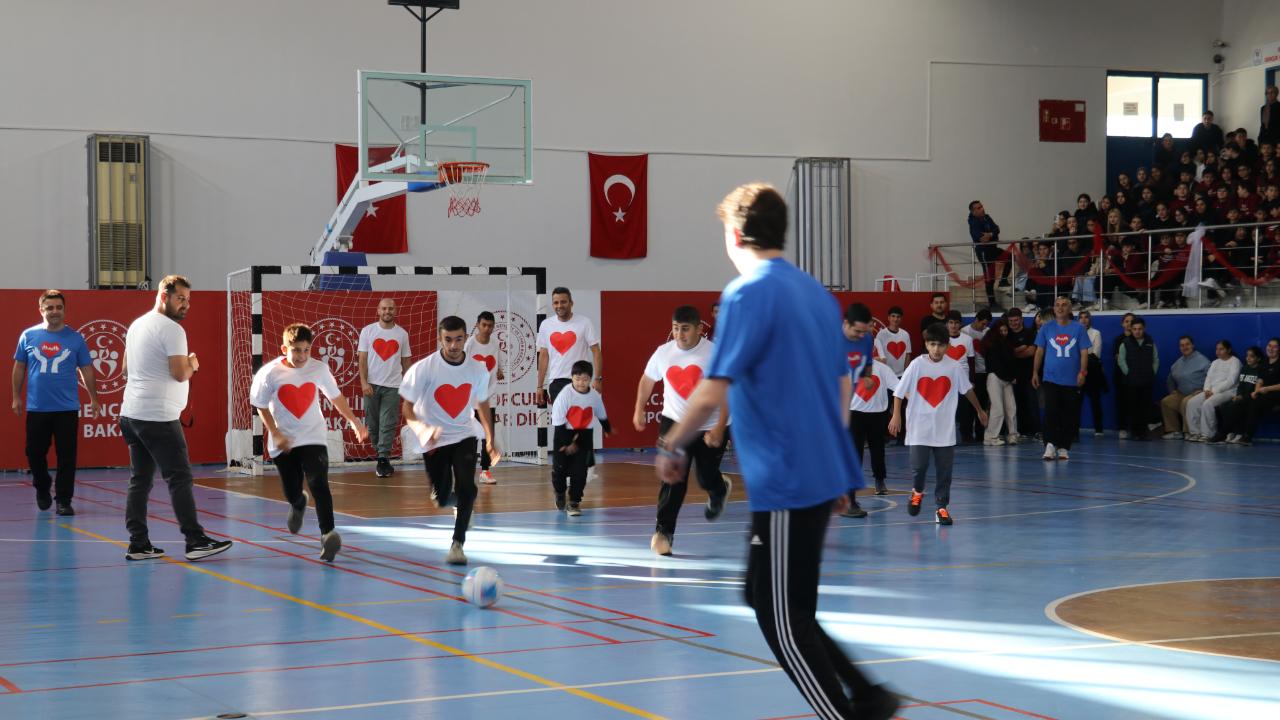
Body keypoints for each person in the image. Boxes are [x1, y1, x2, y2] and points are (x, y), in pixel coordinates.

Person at [655, 183, 899, 719]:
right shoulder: (816, 294)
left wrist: (673, 441)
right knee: (763, 596)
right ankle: (870, 695)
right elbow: (842, 388)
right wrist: (839, 470)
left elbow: (715, 387)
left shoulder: (747, 293)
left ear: (736, 233)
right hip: (808, 473)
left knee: (782, 624)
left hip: (789, 478)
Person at [119, 275, 232, 562]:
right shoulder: (171, 330)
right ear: (163, 296)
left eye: (188, 300)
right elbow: (180, 373)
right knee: (179, 478)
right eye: (180, 298)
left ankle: (139, 544)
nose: (186, 305)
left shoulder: (136, 325)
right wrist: (192, 364)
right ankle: (195, 540)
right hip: (157, 417)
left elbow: (124, 370)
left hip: (131, 414)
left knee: (140, 480)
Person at [251, 323, 368, 561]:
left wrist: (355, 422)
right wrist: (275, 432)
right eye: (296, 351)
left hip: (313, 436)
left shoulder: (319, 369)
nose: (301, 356)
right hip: (283, 441)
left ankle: (328, 534)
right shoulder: (270, 373)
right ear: (285, 348)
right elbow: (260, 405)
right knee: (292, 489)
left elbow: (336, 398)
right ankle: (297, 502)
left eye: (306, 350)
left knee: (319, 483)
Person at [399, 316, 500, 565]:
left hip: (464, 434)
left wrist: (489, 437)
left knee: (468, 487)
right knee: (441, 498)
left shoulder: (477, 369)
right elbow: (407, 409)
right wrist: (421, 429)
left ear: (466, 338)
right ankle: (457, 501)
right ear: (439, 339)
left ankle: (458, 544)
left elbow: (482, 403)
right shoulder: (423, 368)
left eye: (458, 339)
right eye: (448, 340)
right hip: (433, 440)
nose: (454, 346)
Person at [633, 306, 729, 555]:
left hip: (709, 424)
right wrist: (639, 409)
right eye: (675, 328)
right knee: (673, 479)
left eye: (685, 329)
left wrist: (720, 427)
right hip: (674, 422)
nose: (679, 334)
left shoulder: (714, 353)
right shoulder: (663, 353)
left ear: (699, 328)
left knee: (706, 476)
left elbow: (728, 391)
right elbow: (647, 380)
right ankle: (663, 532)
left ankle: (719, 489)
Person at [11, 290, 103, 516]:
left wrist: (93, 398)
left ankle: (63, 500)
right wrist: (16, 396)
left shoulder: (75, 338)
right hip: (37, 408)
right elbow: (19, 367)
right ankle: (42, 487)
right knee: (33, 453)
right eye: (49, 308)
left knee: (67, 457)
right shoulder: (28, 336)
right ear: (41, 310)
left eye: (58, 307)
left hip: (67, 409)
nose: (54, 311)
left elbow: (87, 369)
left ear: (64, 310)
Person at [889, 323, 987, 523]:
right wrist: (896, 415)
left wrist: (979, 410)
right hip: (919, 428)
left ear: (948, 346)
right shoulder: (917, 364)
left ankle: (941, 507)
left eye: (940, 345)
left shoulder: (953, 366)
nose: (936, 349)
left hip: (944, 430)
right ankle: (917, 491)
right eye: (932, 344)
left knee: (945, 472)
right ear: (926, 344)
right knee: (920, 467)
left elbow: (967, 390)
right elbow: (899, 391)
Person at [357, 298, 412, 478]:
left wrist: (409, 383)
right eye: (384, 308)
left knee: (388, 423)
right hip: (371, 385)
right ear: (378, 311)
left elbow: (406, 360)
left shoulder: (402, 334)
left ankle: (383, 459)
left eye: (391, 308)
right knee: (372, 425)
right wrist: (364, 382)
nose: (387, 311)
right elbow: (363, 359)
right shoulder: (367, 331)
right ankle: (380, 452)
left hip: (393, 386)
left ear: (395, 311)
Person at [1032, 296, 1090, 460]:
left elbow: (1084, 352)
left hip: (1071, 380)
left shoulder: (1079, 329)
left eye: (1064, 305)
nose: (1060, 308)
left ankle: (1064, 446)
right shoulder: (1046, 328)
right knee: (1050, 411)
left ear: (1070, 309)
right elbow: (1039, 351)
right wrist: (1035, 372)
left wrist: (1082, 372)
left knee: (1068, 414)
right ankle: (1050, 445)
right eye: (1057, 305)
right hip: (1050, 378)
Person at [552, 361, 610, 517]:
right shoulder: (565, 395)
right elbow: (558, 422)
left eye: (584, 379)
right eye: (577, 379)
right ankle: (559, 493)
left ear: (590, 379)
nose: (580, 383)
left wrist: (607, 429)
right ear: (571, 378)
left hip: (584, 436)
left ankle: (574, 502)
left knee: (580, 472)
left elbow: (601, 413)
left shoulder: (594, 396)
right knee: (560, 472)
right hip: (563, 434)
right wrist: (566, 444)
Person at [536, 287, 602, 405]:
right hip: (556, 383)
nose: (559, 306)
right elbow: (543, 356)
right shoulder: (546, 325)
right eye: (556, 302)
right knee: (560, 422)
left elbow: (596, 351)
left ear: (571, 303)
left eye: (563, 302)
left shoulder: (584, 323)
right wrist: (539, 386)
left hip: (580, 380)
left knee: (579, 421)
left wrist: (597, 379)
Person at [841, 303, 877, 517]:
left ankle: (849, 501)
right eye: (857, 331)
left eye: (865, 332)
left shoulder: (866, 339)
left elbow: (866, 362)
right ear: (845, 324)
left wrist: (867, 375)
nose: (861, 336)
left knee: (853, 452)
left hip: (849, 406)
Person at [465, 311, 504, 485]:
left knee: (489, 434)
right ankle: (465, 469)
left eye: (490, 326)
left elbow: (497, 360)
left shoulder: (495, 343)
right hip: (471, 397)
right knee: (471, 435)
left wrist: (500, 369)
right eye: (484, 325)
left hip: (489, 396)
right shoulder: (470, 344)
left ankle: (485, 470)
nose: (487, 329)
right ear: (478, 325)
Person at [850, 358, 898, 496]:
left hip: (877, 415)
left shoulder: (883, 369)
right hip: (854, 413)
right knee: (854, 450)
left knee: (878, 449)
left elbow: (898, 387)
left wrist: (912, 399)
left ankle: (880, 480)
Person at [1184, 340, 1240, 442]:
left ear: (1228, 350)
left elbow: (1231, 381)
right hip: (1210, 391)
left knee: (1207, 404)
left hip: (1228, 392)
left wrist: (1213, 391)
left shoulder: (1235, 362)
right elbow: (1208, 378)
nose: (1218, 351)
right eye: (1217, 349)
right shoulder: (1215, 362)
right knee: (1192, 403)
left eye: (1221, 349)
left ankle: (1208, 434)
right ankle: (1195, 432)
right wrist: (1206, 390)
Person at [1160, 336, 1211, 440]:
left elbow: (1211, 377)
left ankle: (1189, 431)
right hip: (1181, 393)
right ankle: (1174, 431)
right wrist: (1172, 391)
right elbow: (1170, 379)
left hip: (1198, 393)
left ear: (1192, 345)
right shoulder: (1177, 363)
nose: (1185, 347)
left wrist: (1203, 390)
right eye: (1182, 345)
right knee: (1166, 402)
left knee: (1186, 402)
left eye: (1187, 344)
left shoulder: (1203, 360)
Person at [1210, 346, 1264, 445]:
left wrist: (1242, 397)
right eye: (1247, 356)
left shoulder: (1260, 370)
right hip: (1241, 396)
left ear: (1258, 358)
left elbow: (1255, 389)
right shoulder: (1245, 368)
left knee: (1236, 406)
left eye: (1252, 356)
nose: (1248, 358)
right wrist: (1239, 395)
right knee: (1224, 406)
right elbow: (1241, 385)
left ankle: (1237, 433)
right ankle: (1232, 432)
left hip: (1252, 397)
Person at [1117, 316, 1159, 440]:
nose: (1137, 331)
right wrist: (1128, 373)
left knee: (1145, 407)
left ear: (1144, 329)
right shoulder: (1125, 343)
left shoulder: (1150, 342)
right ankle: (1135, 432)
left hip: (1147, 381)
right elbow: (1121, 360)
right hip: (1132, 382)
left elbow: (1156, 359)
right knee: (1134, 407)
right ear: (1131, 329)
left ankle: (1143, 432)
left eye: (1140, 329)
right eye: (1135, 329)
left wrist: (1152, 373)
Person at [1235, 337, 1280, 445]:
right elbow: (1260, 379)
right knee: (1248, 400)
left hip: (1276, 393)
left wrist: (1266, 389)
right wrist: (1256, 391)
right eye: (1269, 346)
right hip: (1264, 393)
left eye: (1275, 347)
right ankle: (1237, 433)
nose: (1271, 348)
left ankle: (1248, 436)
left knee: (1255, 402)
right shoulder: (1264, 361)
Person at [981, 319, 1018, 446]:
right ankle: (990, 437)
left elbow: (1010, 363)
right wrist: (1010, 377)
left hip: (1006, 379)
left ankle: (1012, 435)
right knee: (998, 408)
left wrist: (1010, 377)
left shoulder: (1007, 344)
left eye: (1005, 330)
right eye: (1001, 330)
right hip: (995, 378)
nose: (1003, 333)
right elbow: (996, 365)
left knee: (1011, 408)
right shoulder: (992, 345)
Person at [1005, 308, 1039, 440]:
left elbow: (1031, 352)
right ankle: (1020, 431)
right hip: (1013, 376)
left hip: (1029, 374)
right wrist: (1020, 349)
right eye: (1011, 321)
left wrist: (1013, 353)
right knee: (1016, 404)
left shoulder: (1030, 333)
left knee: (1032, 402)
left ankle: (1036, 431)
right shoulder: (1006, 335)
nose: (1014, 323)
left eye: (1016, 320)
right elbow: (1007, 354)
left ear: (1021, 319)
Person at [945, 311, 977, 443]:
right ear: (946, 324)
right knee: (946, 408)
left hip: (963, 379)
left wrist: (972, 380)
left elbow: (971, 361)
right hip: (946, 380)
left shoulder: (967, 339)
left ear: (960, 324)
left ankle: (966, 434)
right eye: (951, 323)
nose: (953, 326)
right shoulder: (941, 340)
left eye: (956, 323)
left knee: (966, 409)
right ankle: (946, 435)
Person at [961, 309, 991, 443]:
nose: (984, 327)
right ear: (976, 320)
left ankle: (980, 433)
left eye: (986, 324)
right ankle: (966, 434)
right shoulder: (964, 332)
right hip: (971, 373)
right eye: (982, 324)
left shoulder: (988, 332)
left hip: (985, 372)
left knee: (983, 404)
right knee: (968, 405)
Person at [968, 200, 1003, 309]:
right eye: (978, 208)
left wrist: (991, 234)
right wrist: (992, 234)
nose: (982, 209)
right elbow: (981, 238)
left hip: (993, 248)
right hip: (983, 251)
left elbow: (997, 229)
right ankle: (992, 303)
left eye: (982, 206)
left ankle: (1004, 281)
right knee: (989, 277)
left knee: (1010, 257)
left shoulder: (987, 217)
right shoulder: (973, 222)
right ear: (973, 212)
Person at [1078, 310, 1107, 437]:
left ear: (1090, 319)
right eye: (1081, 317)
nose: (1084, 320)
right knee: (1076, 402)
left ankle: (1099, 429)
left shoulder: (1096, 333)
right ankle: (1074, 428)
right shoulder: (1075, 333)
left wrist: (1083, 358)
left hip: (1092, 372)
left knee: (1095, 401)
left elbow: (1095, 354)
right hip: (1077, 371)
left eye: (1086, 317)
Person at [1111, 313, 1136, 438]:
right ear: (1123, 323)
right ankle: (1122, 428)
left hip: (1137, 376)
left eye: (1132, 321)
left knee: (1135, 402)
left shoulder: (1139, 338)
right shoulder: (1118, 339)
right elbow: (1118, 357)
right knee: (1121, 402)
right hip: (1121, 376)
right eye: (1126, 321)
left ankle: (1135, 428)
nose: (1129, 323)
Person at [873, 305, 911, 376]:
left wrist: (906, 373)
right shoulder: (881, 334)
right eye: (893, 316)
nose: (895, 319)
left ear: (901, 319)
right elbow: (878, 355)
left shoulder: (905, 334)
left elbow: (907, 355)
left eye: (898, 317)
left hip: (901, 374)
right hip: (885, 374)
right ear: (889, 318)